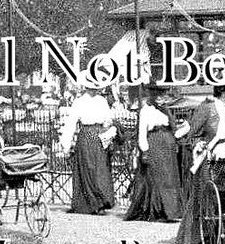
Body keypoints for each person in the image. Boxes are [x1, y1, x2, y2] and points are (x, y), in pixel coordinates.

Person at [175, 83, 225, 244]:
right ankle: (202, 235)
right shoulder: (207, 109)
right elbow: (190, 135)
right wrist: (199, 144)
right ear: (223, 92)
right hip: (210, 161)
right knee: (208, 195)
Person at [124, 84, 183, 222]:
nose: (162, 99)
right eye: (159, 96)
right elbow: (142, 132)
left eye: (163, 95)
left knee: (169, 177)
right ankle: (158, 211)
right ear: (153, 96)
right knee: (158, 177)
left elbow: (173, 128)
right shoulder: (146, 110)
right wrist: (144, 150)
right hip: (154, 142)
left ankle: (171, 211)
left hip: (167, 143)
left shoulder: (166, 110)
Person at [59, 79, 118, 214]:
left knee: (97, 169)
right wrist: (66, 145)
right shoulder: (81, 101)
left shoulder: (98, 101)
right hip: (90, 134)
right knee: (92, 169)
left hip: (93, 135)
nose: (94, 90)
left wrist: (66, 146)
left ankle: (98, 202)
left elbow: (108, 119)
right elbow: (71, 123)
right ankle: (95, 203)